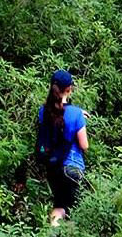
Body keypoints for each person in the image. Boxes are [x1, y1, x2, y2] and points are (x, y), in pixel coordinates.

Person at [35, 69, 88, 225]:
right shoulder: (76, 114)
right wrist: (80, 116)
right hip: (72, 167)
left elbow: (58, 115)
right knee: (72, 210)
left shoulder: (43, 111)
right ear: (69, 89)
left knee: (59, 206)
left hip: (53, 167)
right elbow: (84, 145)